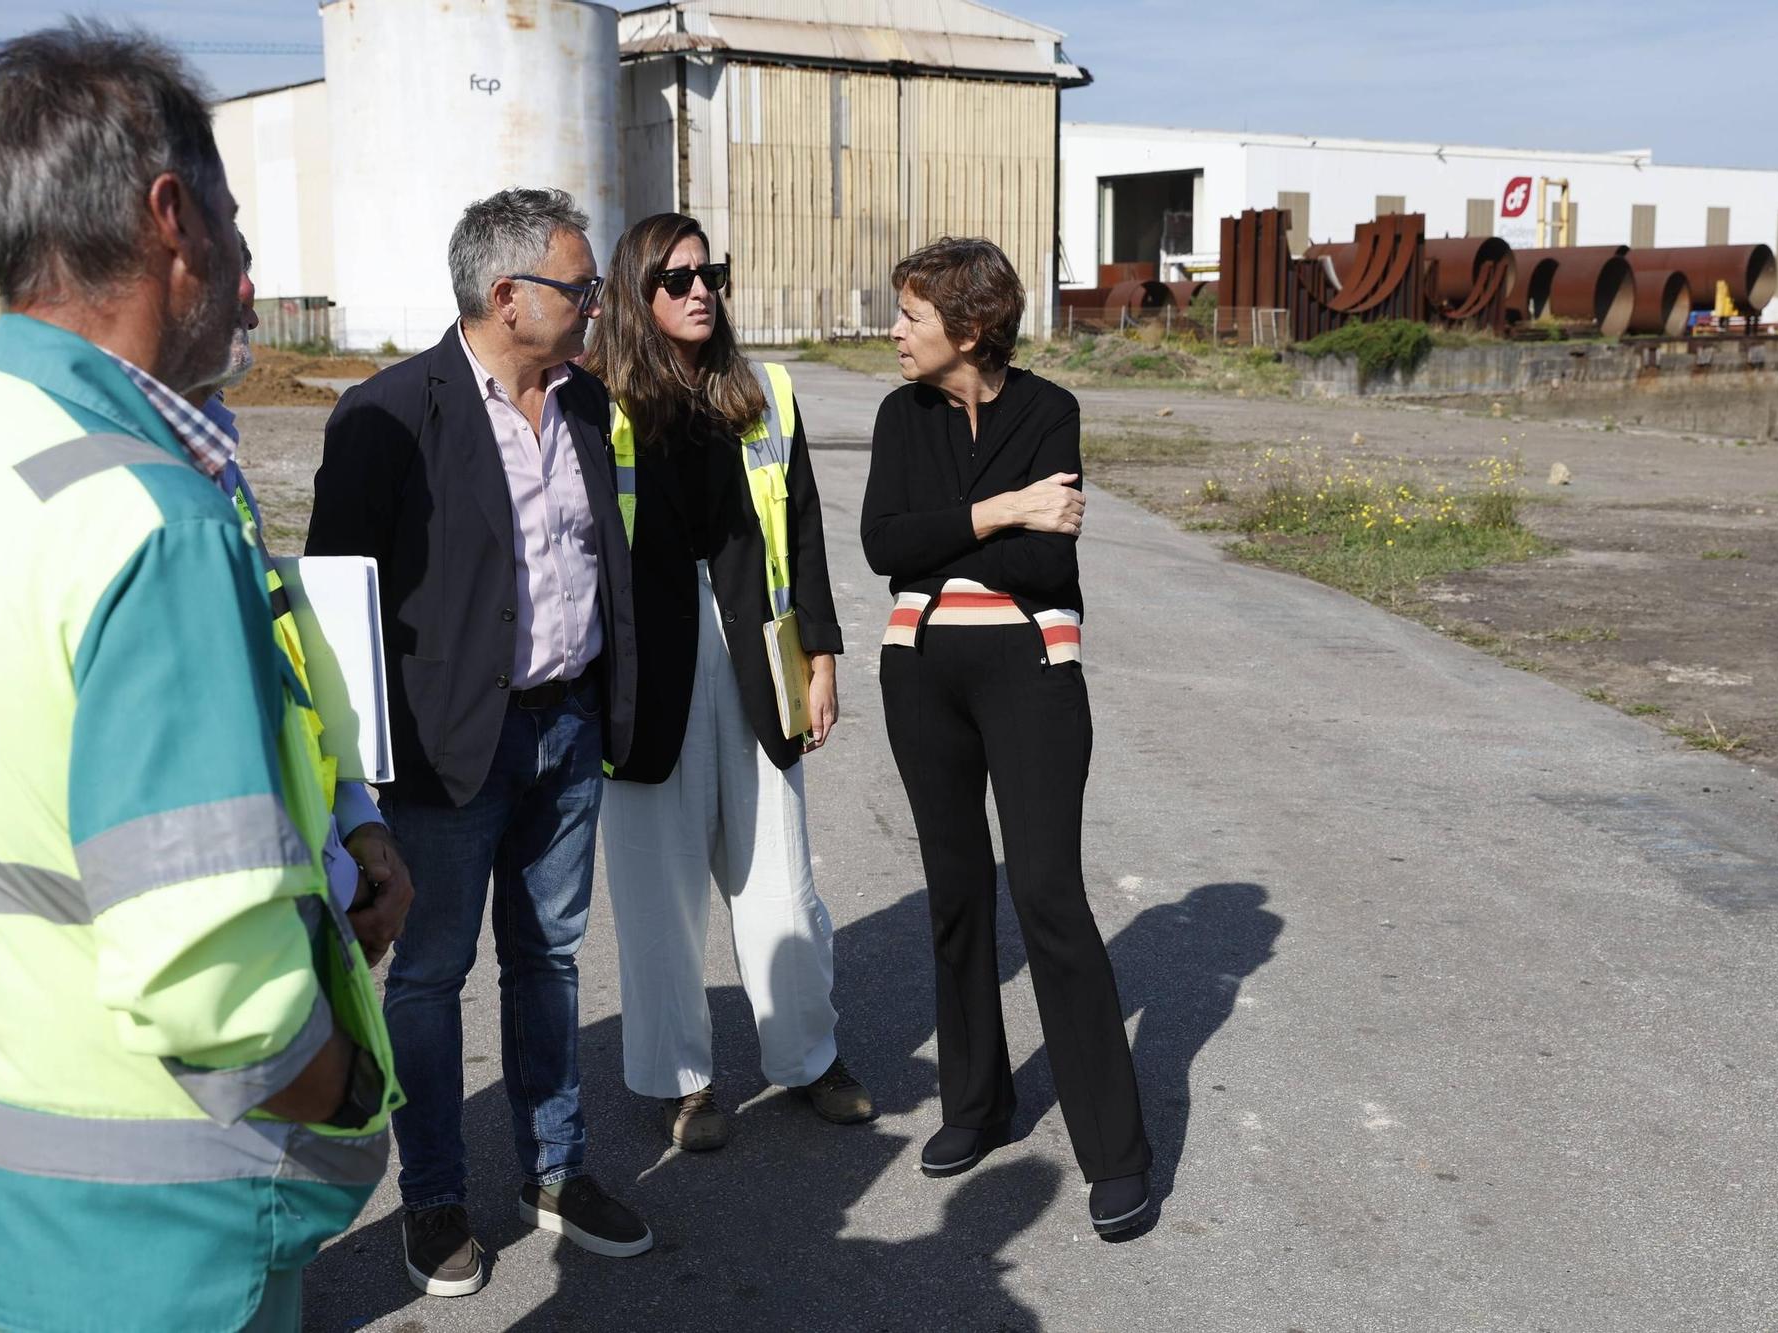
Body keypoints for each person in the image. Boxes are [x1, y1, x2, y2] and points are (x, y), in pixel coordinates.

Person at [0, 22, 400, 1331]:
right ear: (173, 217)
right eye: (235, 221)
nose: (249, 266)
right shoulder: (145, 518)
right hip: (171, 1227)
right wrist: (334, 1086)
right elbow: (211, 986)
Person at [307, 188, 648, 1299]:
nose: (596, 303)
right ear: (506, 296)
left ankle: (554, 1169)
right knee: (433, 974)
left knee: (548, 957)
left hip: (565, 724)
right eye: (579, 286)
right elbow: (335, 612)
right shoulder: (391, 414)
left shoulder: (587, 405)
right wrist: (355, 785)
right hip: (449, 749)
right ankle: (437, 1195)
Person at [859, 237, 1154, 1237]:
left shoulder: (1048, 409)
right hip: (919, 675)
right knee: (955, 892)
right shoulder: (899, 416)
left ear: (968, 327)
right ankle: (976, 1106)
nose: (892, 331)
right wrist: (1005, 508)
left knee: (1045, 893)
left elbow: (1042, 564)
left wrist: (956, 535)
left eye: (909, 314)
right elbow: (880, 546)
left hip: (1031, 671)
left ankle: (1114, 1151)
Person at [584, 212, 873, 1151]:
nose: (700, 289)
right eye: (676, 278)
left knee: (781, 881)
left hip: (753, 659)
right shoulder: (593, 400)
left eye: (711, 273)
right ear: (637, 294)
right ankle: (682, 1084)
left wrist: (821, 655)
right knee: (657, 895)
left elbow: (806, 532)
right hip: (640, 675)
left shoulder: (768, 392)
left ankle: (809, 1057)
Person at [187, 232, 415, 940]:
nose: (251, 297)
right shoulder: (124, 483)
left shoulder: (220, 462)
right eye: (228, 267)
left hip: (309, 892)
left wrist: (357, 817)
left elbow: (288, 674)